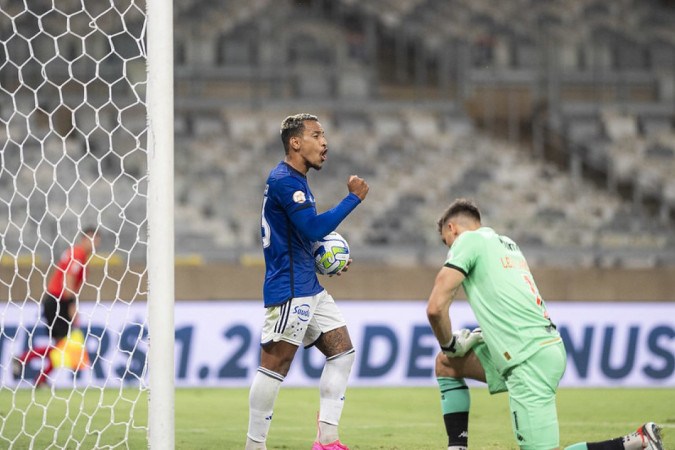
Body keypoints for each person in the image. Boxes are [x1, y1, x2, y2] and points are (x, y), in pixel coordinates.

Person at [426, 198, 664, 450]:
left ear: (452, 228)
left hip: (527, 358)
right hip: (539, 346)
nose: (448, 248)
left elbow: (435, 308)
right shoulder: (507, 245)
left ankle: (638, 442)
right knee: (447, 364)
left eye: (446, 241)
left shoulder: (468, 241)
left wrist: (450, 343)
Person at [245, 114, 369, 450]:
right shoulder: (285, 181)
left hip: (308, 285)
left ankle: (327, 440)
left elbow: (302, 235)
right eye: (316, 135)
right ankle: (254, 446)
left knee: (342, 352)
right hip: (290, 289)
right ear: (295, 142)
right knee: (275, 366)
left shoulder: (296, 180)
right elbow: (314, 228)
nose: (325, 142)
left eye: (324, 135)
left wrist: (327, 259)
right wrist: (353, 198)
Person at [13, 227, 100, 387]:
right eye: (91, 239)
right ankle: (24, 360)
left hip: (55, 300)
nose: (94, 243)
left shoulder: (77, 255)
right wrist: (71, 306)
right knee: (64, 345)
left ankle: (38, 377)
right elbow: (69, 279)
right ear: (83, 240)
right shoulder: (78, 254)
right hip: (58, 301)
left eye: (97, 240)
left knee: (61, 346)